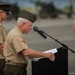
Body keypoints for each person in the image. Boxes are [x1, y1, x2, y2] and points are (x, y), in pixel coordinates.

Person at [3, 10, 55, 75]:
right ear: (23, 24)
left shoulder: (17, 33)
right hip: (15, 70)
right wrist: (45, 55)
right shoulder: (15, 35)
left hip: (16, 68)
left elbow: (26, 53)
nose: (30, 28)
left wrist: (37, 55)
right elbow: (26, 52)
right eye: (30, 25)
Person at [0, 3, 11, 75]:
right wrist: (9, 59)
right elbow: (1, 46)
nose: (8, 15)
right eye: (7, 13)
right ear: (0, 12)